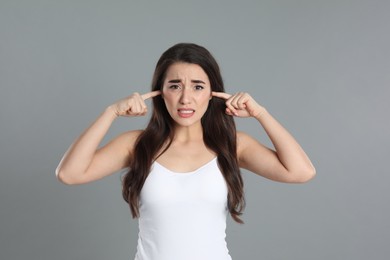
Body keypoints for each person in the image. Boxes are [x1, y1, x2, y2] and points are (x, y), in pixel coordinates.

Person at [56, 43, 316, 260]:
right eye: (175, 85)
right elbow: (69, 173)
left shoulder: (232, 144)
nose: (185, 98)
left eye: (197, 86)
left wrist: (261, 113)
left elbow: (301, 171)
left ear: (213, 93)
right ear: (160, 92)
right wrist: (110, 112)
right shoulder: (137, 145)